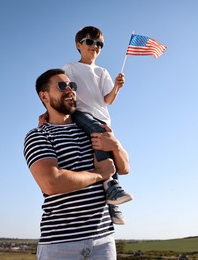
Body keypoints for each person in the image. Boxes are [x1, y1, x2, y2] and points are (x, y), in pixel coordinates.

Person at [24, 68, 130, 259]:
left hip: (103, 240)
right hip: (60, 243)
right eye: (62, 86)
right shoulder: (38, 135)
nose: (70, 90)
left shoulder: (92, 128)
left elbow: (124, 168)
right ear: (44, 96)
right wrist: (99, 174)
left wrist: (115, 145)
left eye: (72, 85)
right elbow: (51, 183)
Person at [40, 26, 132, 224]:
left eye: (99, 44)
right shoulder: (71, 68)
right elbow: (62, 92)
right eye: (90, 42)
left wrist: (116, 87)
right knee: (100, 138)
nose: (95, 47)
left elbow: (107, 100)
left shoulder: (102, 71)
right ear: (78, 45)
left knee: (106, 149)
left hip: (102, 117)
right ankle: (111, 186)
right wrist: (48, 113)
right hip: (82, 113)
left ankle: (112, 206)